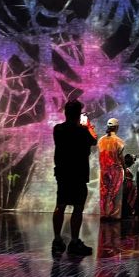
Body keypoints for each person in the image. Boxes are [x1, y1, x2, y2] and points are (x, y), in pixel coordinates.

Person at [52, 100, 97, 256]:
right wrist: (87, 125)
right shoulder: (83, 131)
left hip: (63, 173)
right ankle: (74, 241)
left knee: (60, 205)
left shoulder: (58, 129)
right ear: (79, 114)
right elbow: (94, 140)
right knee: (78, 207)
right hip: (78, 174)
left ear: (65, 113)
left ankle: (57, 240)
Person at [98, 118, 126, 220]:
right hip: (115, 170)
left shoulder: (101, 140)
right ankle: (114, 215)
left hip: (104, 170)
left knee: (104, 192)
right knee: (115, 193)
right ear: (117, 127)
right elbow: (121, 158)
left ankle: (104, 214)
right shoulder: (119, 141)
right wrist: (125, 168)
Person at [121, 153, 139, 219]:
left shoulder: (126, 169)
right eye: (133, 160)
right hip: (125, 188)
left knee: (126, 200)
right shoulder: (123, 169)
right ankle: (125, 214)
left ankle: (126, 213)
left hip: (128, 189)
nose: (134, 162)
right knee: (125, 200)